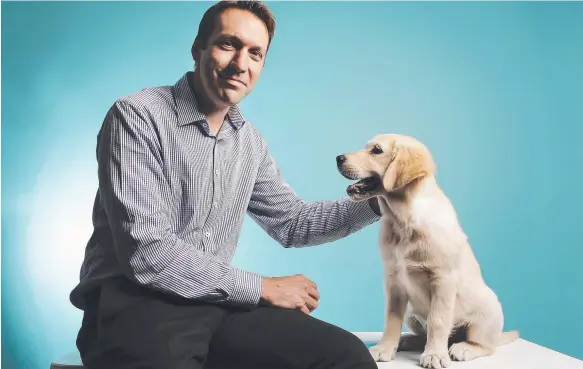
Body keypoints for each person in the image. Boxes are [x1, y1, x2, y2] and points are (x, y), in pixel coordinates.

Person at [71, 1, 382, 369]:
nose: (241, 64)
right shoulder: (138, 115)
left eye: (255, 53)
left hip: (214, 305)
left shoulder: (248, 142)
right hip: (133, 304)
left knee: (345, 356)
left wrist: (382, 201)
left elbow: (292, 222)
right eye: (228, 44)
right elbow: (147, 252)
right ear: (197, 48)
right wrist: (264, 288)